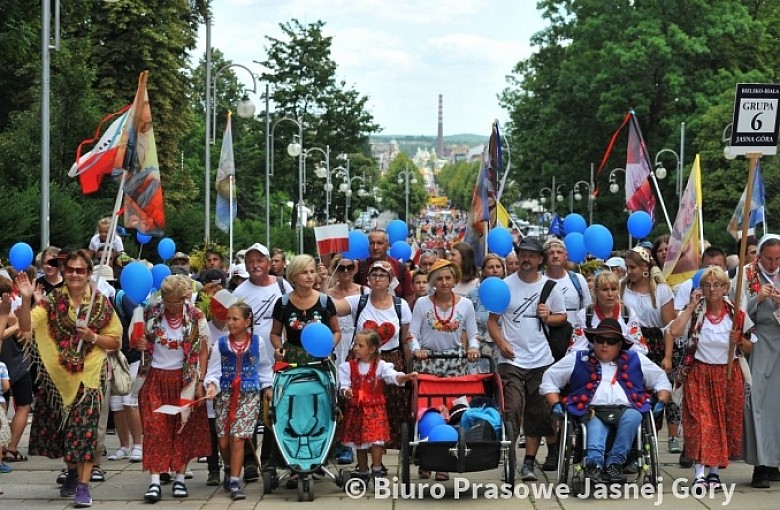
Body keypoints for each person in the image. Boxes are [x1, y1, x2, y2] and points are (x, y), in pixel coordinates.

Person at [16, 250, 122, 508]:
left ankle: (84, 487)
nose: (75, 274)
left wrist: (93, 337)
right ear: (64, 272)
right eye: (71, 270)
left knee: (84, 432)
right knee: (66, 435)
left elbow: (116, 340)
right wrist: (27, 300)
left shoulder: (99, 303)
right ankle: (72, 472)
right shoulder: (52, 302)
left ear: (88, 274)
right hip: (59, 380)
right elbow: (27, 327)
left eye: (80, 270)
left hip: (90, 378)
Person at [541, 318, 671, 483]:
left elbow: (661, 378)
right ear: (593, 342)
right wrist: (554, 403)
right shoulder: (578, 358)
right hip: (592, 410)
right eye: (600, 340)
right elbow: (549, 378)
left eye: (611, 341)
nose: (604, 345)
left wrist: (661, 399)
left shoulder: (635, 359)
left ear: (619, 345)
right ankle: (594, 465)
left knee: (635, 417)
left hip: (627, 410)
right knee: (594, 423)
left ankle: (615, 464)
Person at [487, 237, 566, 482]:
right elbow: (492, 322)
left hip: (542, 360)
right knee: (511, 410)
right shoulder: (505, 286)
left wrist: (548, 317)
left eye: (532, 255)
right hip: (511, 361)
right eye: (523, 254)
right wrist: (502, 344)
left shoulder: (550, 287)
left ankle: (529, 463)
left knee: (539, 413)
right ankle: (509, 460)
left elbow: (562, 318)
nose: (526, 259)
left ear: (540, 259)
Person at [669, 266, 753, 490]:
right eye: (707, 285)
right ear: (701, 289)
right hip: (699, 373)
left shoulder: (736, 314)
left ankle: (714, 473)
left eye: (717, 285)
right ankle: (699, 474)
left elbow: (750, 345)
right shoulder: (697, 312)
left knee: (720, 424)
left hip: (727, 374)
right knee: (699, 424)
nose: (712, 289)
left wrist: (740, 340)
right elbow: (674, 331)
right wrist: (690, 306)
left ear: (726, 288)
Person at [135, 274, 216, 503]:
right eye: (167, 302)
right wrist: (139, 342)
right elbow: (138, 340)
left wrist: (200, 381)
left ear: (185, 298)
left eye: (175, 303)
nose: (170, 307)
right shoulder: (151, 312)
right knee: (155, 430)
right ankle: (154, 481)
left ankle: (180, 477)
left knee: (183, 428)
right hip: (155, 378)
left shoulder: (196, 316)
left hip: (185, 380)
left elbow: (203, 350)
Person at [334, 260, 413, 455]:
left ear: (390, 280)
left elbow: (406, 339)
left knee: (390, 410)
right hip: (362, 363)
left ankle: (381, 454)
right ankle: (357, 450)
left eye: (382, 275)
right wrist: (323, 282)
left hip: (391, 360)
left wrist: (408, 366)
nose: (377, 279)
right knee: (358, 408)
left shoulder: (400, 305)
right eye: (373, 275)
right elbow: (332, 306)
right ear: (368, 279)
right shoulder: (358, 301)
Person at [232, 242, 291, 481]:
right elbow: (229, 322)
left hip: (276, 359)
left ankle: (268, 460)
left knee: (271, 411)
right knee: (246, 412)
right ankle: (248, 462)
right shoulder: (239, 292)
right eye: (250, 261)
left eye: (259, 261)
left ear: (269, 263)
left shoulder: (281, 285)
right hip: (247, 361)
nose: (255, 265)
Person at [210, 302, 272, 501]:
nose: (230, 322)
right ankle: (228, 467)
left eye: (235, 319)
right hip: (225, 395)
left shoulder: (257, 342)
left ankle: (236, 480)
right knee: (223, 440)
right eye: (228, 318)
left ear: (247, 321)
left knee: (238, 438)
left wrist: (267, 387)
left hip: (248, 394)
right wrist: (211, 385)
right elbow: (213, 370)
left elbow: (263, 367)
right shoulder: (220, 343)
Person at [339, 329, 418, 481]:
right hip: (357, 410)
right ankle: (362, 471)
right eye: (355, 344)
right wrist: (346, 391)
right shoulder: (348, 367)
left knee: (376, 442)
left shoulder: (380, 365)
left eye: (360, 345)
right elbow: (344, 386)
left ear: (372, 349)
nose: (355, 348)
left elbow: (393, 376)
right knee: (359, 442)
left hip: (375, 410)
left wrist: (405, 377)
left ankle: (376, 469)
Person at [620, 246, 677, 448]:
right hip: (630, 345)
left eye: (633, 267)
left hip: (656, 345)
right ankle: (632, 441)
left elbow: (669, 327)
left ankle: (649, 438)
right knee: (632, 394)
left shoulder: (661, 290)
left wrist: (668, 356)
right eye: (627, 267)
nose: (629, 272)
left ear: (645, 267)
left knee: (656, 396)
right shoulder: (621, 288)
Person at [736, 234, 780, 487]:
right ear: (759, 256)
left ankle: (774, 462)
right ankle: (760, 465)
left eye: (777, 260)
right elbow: (736, 312)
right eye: (768, 259)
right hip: (760, 342)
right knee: (758, 405)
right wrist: (758, 299)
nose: (773, 265)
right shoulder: (747, 274)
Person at [270, 254, 341, 365]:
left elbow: (336, 331)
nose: (310, 276)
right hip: (292, 360)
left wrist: (329, 347)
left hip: (320, 360)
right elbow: (275, 333)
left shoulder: (325, 301)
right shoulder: (283, 303)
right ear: (293, 276)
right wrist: (279, 349)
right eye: (304, 272)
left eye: (312, 272)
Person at [570, 271, 648, 355]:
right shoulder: (585, 315)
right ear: (596, 291)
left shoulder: (627, 313)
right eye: (605, 289)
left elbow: (640, 349)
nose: (610, 294)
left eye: (614, 289)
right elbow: (574, 350)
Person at [466, 253, 505, 372]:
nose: (495, 270)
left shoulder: (510, 291)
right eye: (490, 267)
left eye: (498, 267)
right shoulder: (474, 294)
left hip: (503, 347)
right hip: (478, 349)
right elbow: (466, 322)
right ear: (483, 271)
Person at [355, 229, 413, 300]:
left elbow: (409, 298)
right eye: (371, 243)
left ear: (388, 246)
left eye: (379, 243)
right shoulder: (360, 267)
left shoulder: (400, 268)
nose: (375, 247)